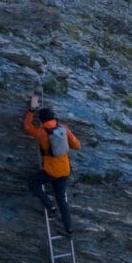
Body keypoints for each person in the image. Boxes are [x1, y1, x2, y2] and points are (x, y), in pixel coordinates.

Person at [23, 97, 81, 235]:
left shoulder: (41, 132)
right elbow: (77, 145)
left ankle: (50, 206)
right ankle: (69, 228)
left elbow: (27, 126)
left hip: (51, 171)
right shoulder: (64, 129)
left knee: (33, 184)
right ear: (53, 117)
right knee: (61, 199)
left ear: (42, 121)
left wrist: (31, 110)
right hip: (65, 170)